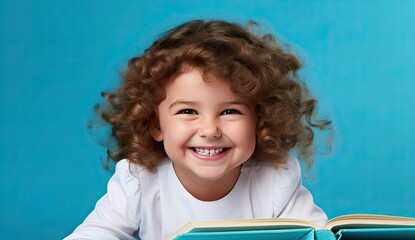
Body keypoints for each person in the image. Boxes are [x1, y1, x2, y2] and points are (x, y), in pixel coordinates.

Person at [65, 19, 332, 240]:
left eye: (230, 111)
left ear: (260, 120)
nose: (209, 130)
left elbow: (315, 233)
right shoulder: (139, 180)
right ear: (155, 124)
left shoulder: (276, 178)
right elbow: (94, 234)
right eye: (188, 111)